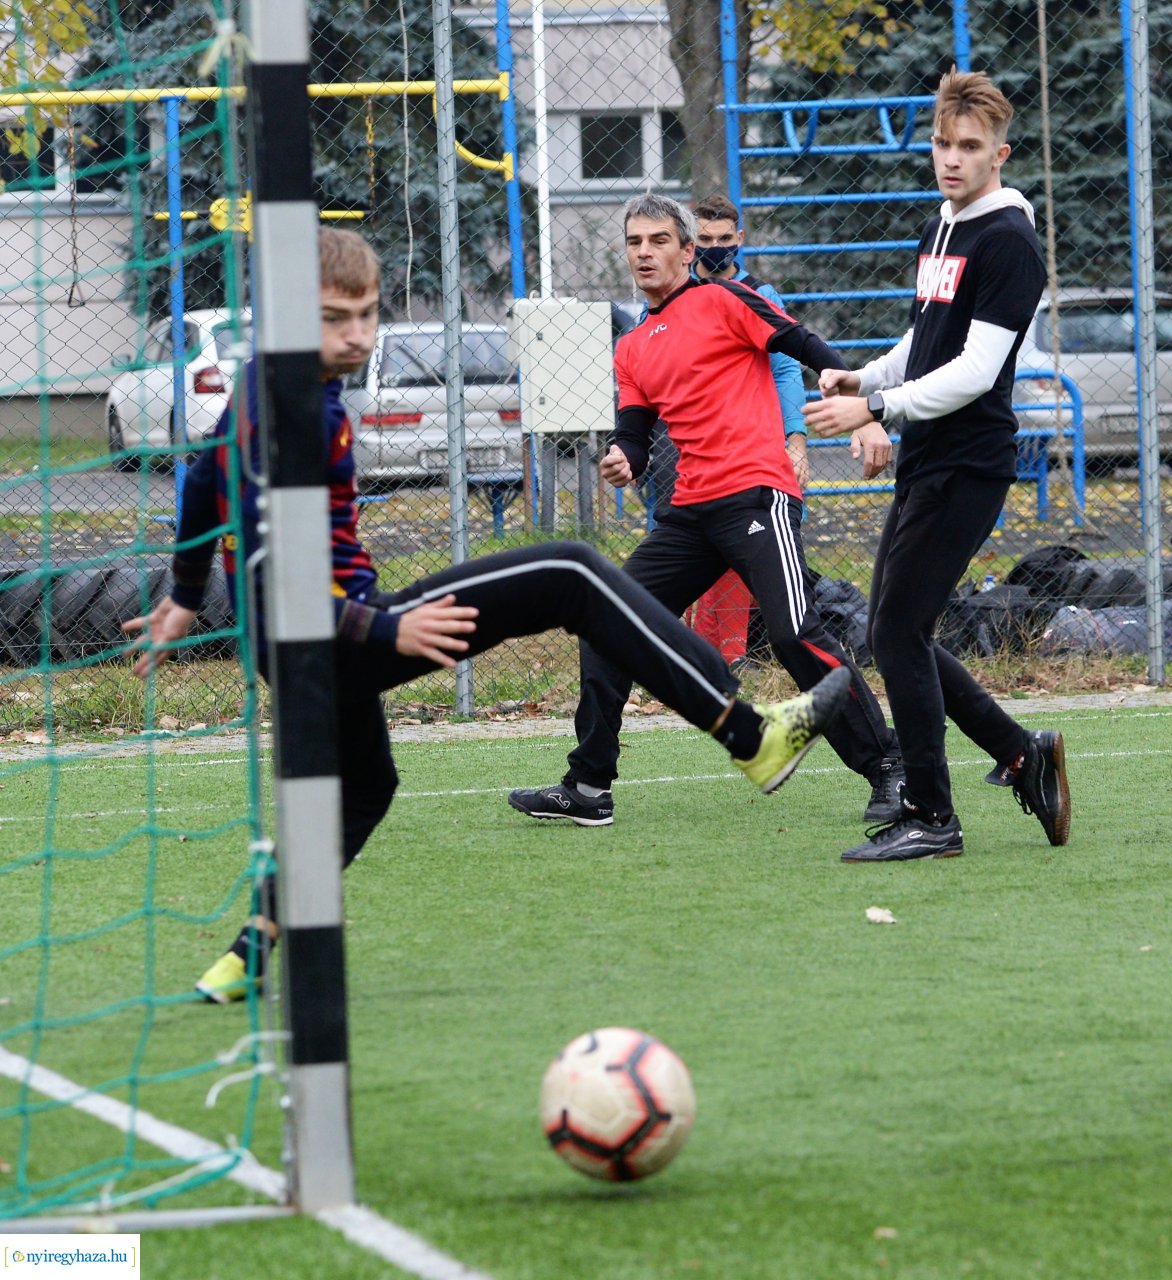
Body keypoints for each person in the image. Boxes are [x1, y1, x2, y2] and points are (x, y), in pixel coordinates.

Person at [123, 227, 850, 1004]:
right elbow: (280, 572)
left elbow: (204, 477)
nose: (360, 334)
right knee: (570, 570)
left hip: (321, 637)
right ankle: (750, 737)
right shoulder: (295, 414)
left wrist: (186, 594)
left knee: (367, 787)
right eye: (338, 317)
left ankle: (248, 955)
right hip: (330, 635)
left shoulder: (274, 384)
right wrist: (381, 629)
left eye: (368, 314)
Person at [507, 193, 903, 831]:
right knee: (605, 615)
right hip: (689, 513)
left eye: (658, 240)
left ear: (687, 251)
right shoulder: (633, 346)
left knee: (794, 634)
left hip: (756, 492)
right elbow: (635, 434)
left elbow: (803, 343)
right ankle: (587, 785)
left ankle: (890, 767)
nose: (644, 252)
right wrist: (621, 458)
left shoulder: (724, 301)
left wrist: (865, 410)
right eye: (635, 242)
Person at [804, 70, 1069, 862]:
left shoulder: (1010, 241)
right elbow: (924, 348)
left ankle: (933, 816)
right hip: (929, 461)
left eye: (969, 148)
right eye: (942, 145)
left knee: (894, 630)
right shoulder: (941, 228)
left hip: (969, 465)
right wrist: (866, 377)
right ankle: (1022, 755)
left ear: (1000, 154)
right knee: (900, 631)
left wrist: (877, 410)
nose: (952, 160)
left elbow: (977, 371)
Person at [659, 194, 813, 665]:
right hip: (690, 447)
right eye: (705, 239)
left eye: (725, 239)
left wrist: (795, 440)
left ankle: (730, 653)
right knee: (684, 555)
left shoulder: (762, 298)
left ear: (739, 239)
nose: (716, 247)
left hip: (756, 446)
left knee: (753, 544)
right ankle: (686, 654)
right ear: (689, 244)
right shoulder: (673, 298)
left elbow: (787, 372)